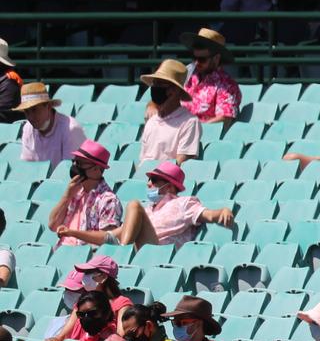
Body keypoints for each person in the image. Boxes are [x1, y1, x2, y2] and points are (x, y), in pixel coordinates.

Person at [57, 162, 234, 248]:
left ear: (171, 186)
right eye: (149, 179)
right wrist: (72, 232)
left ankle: (123, 253)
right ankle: (123, 251)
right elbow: (109, 236)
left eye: (155, 180)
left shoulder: (184, 203)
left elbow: (208, 215)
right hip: (140, 248)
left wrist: (224, 210)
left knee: (133, 205)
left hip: (159, 252)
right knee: (122, 229)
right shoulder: (148, 210)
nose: (149, 183)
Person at [47, 140, 120, 248]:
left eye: (80, 163)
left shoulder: (109, 200)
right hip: (61, 252)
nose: (75, 166)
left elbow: (107, 239)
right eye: (75, 162)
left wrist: (73, 233)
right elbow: (53, 225)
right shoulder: (74, 191)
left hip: (85, 258)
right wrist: (67, 196)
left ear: (96, 169)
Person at [175, 28, 242, 127]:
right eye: (194, 58)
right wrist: (152, 105)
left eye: (202, 59)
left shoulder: (227, 85)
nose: (197, 63)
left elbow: (224, 119)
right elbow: (167, 97)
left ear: (216, 58)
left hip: (203, 136)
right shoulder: (187, 74)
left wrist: (194, 129)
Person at [139, 59, 200, 163]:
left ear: (175, 90)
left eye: (161, 84)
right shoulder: (151, 122)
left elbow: (180, 164)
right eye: (155, 84)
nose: (156, 88)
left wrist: (153, 178)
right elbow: (142, 162)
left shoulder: (189, 122)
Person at [15, 81, 86, 165]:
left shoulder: (71, 129)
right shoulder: (27, 128)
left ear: (48, 107)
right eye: (26, 111)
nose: (30, 117)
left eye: (34, 110)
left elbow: (71, 171)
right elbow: (28, 167)